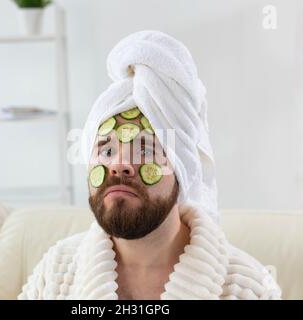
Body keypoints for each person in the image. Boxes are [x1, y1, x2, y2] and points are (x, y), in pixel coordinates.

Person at [18, 30, 282, 300]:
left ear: (182, 170)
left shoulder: (248, 289)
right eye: (106, 149)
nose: (119, 165)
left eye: (145, 149)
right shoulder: (56, 274)